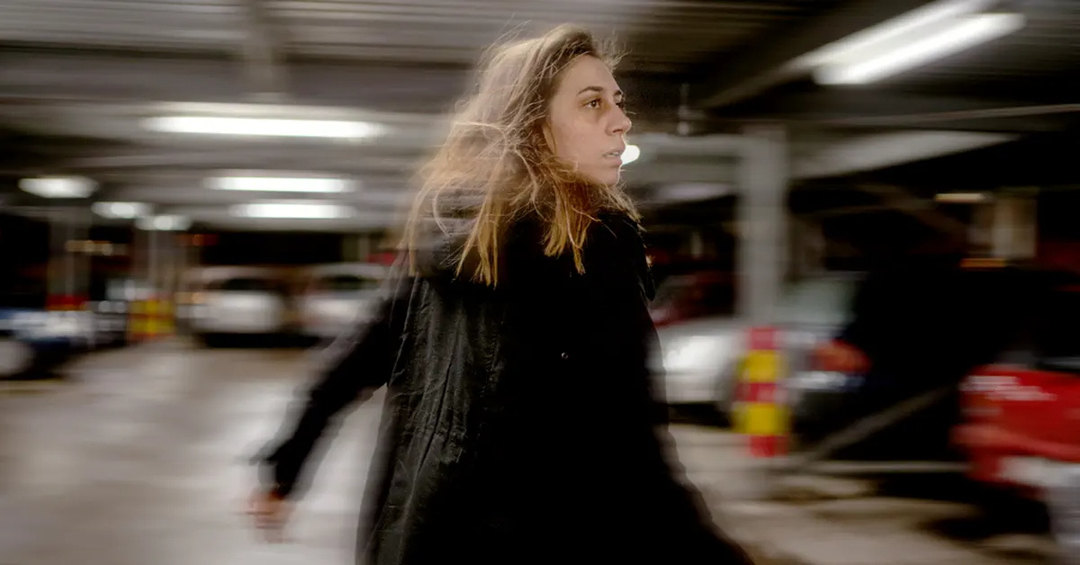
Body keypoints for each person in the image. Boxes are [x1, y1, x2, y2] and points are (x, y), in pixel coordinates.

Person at [248, 24, 754, 565]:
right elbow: (633, 453)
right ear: (535, 126)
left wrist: (284, 469)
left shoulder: (445, 231)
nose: (621, 119)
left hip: (423, 536)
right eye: (592, 103)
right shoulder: (594, 249)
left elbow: (348, 365)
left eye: (617, 101)